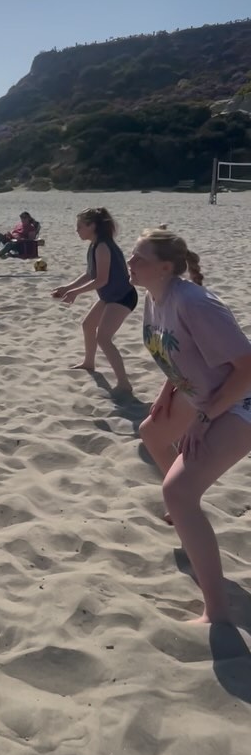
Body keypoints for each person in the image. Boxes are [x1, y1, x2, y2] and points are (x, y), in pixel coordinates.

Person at [129, 227, 251, 624]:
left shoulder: (195, 303)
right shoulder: (153, 296)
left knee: (178, 491)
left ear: (165, 267)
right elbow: (177, 348)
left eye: (140, 258)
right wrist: (170, 387)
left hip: (239, 399)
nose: (130, 263)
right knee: (153, 432)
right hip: (201, 394)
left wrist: (204, 416)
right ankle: (184, 512)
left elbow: (246, 370)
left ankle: (216, 611)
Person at [51, 206, 136, 392]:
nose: (77, 230)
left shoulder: (103, 246)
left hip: (123, 296)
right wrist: (68, 287)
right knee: (88, 325)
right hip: (110, 295)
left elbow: (101, 279)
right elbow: (90, 274)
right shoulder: (95, 245)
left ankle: (124, 383)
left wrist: (75, 293)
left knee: (104, 338)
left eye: (80, 226)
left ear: (92, 226)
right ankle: (89, 362)